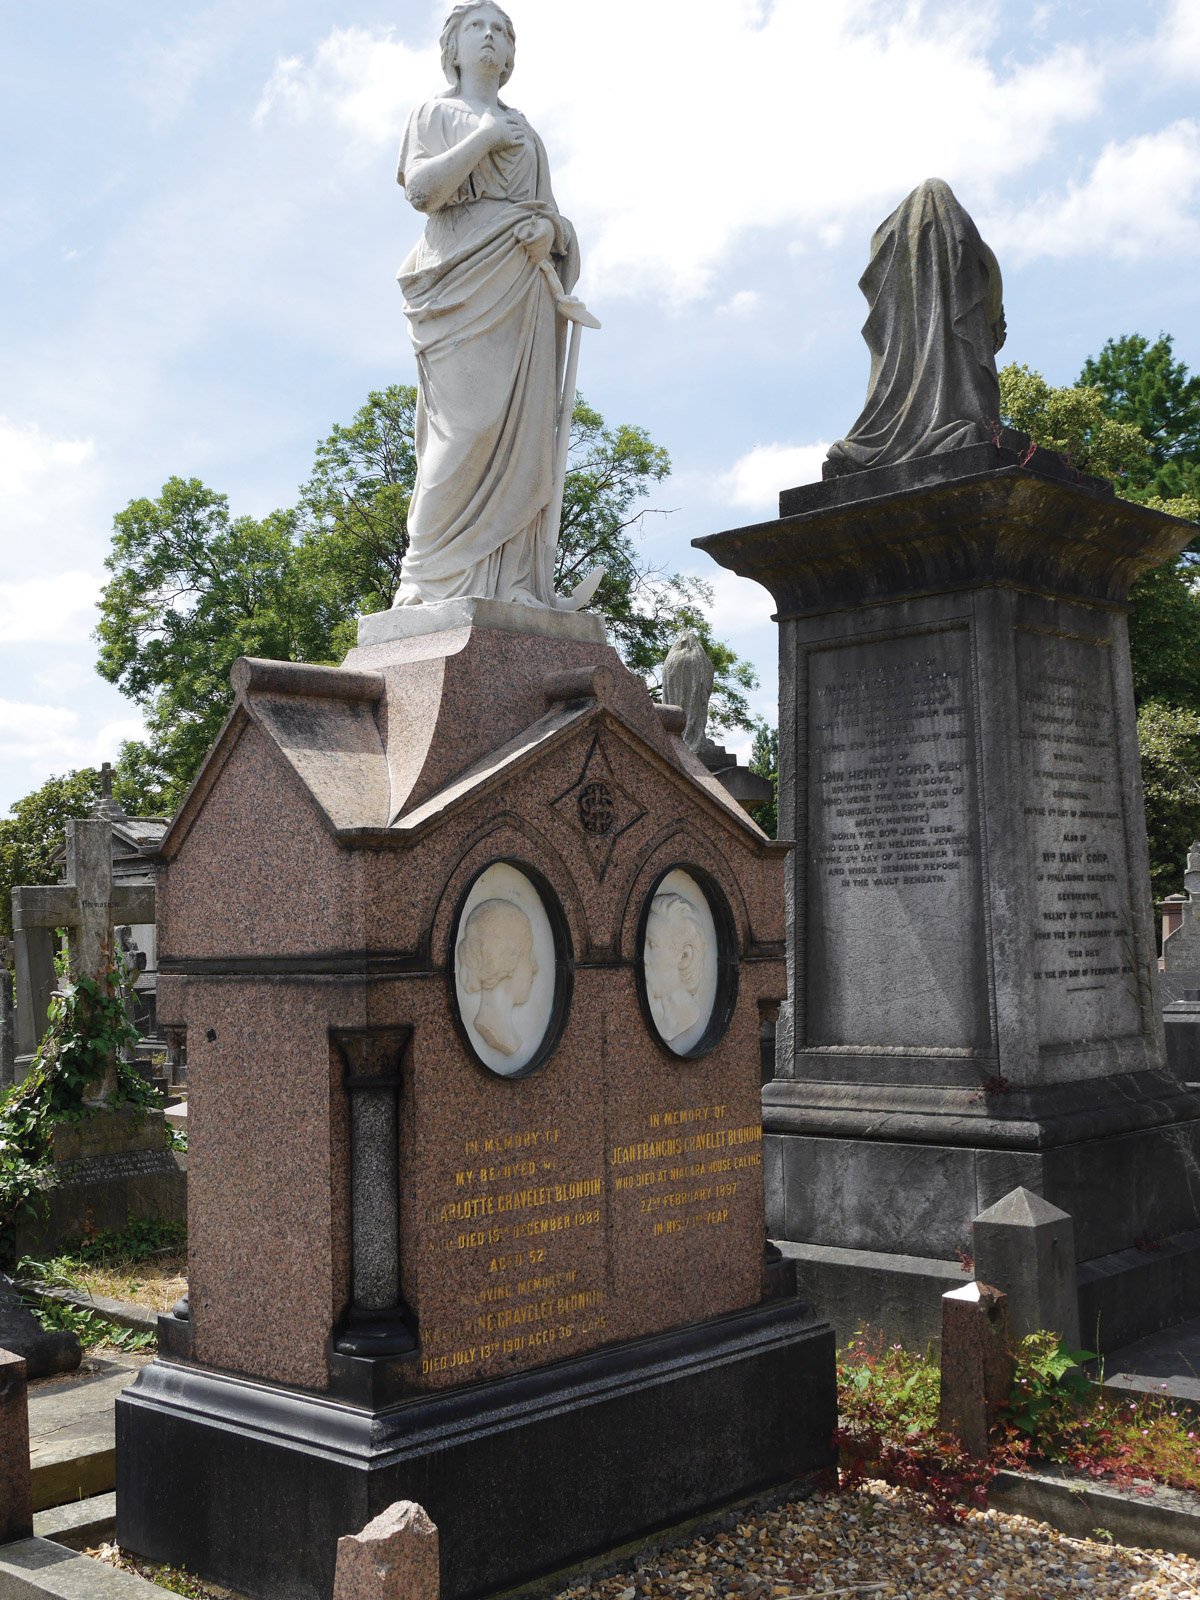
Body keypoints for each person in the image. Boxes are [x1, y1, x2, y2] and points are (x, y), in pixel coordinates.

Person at [393, 2, 581, 608]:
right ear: (452, 46)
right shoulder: (435, 113)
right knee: (464, 428)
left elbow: (552, 216)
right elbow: (423, 191)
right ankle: (425, 578)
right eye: (479, 27)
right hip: (458, 283)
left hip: (521, 286)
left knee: (523, 434)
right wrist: (484, 138)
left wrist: (552, 237)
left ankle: (514, 583)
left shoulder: (529, 132)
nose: (492, 37)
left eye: (503, 30)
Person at [456, 897, 538, 1056]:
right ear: (507, 961)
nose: (535, 967)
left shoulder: (509, 1036)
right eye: (528, 954)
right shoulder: (496, 1033)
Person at [644, 892, 708, 1045]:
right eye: (644, 945)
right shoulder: (653, 1012)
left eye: (652, 945)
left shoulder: (687, 1016)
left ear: (684, 956)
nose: (644, 957)